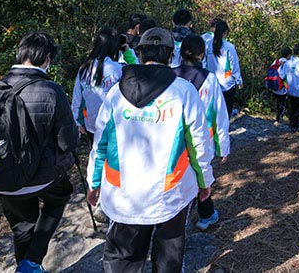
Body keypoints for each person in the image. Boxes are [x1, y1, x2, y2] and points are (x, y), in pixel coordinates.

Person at [87, 28, 214, 273]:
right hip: (171, 192)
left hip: (123, 192)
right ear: (170, 55)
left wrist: (94, 184)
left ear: (139, 52)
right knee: (168, 257)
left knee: (122, 259)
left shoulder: (116, 93)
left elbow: (100, 144)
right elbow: (198, 144)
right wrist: (204, 180)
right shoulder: (184, 92)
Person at [0, 32, 79, 273]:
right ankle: (31, 262)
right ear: (47, 58)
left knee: (22, 225)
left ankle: (27, 265)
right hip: (42, 177)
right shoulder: (52, 91)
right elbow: (67, 141)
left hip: (4, 178)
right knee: (59, 197)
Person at [173, 34, 230, 231]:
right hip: (202, 138)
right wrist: (223, 146)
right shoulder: (210, 79)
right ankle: (205, 216)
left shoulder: (170, 76)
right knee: (200, 173)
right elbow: (219, 114)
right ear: (202, 54)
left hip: (174, 139)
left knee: (179, 174)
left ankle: (177, 216)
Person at [70, 28, 123, 136]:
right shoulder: (119, 69)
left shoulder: (84, 69)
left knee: (95, 152)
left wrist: (78, 122)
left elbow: (77, 99)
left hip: (90, 124)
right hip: (113, 125)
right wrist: (126, 51)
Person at [203, 18, 243, 116]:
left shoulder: (207, 44)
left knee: (212, 110)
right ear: (225, 33)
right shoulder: (229, 46)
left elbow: (203, 62)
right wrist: (239, 81)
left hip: (210, 82)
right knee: (225, 111)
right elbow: (234, 65)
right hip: (227, 84)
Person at [279, 44, 299, 132]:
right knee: (298, 109)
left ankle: (291, 124)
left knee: (292, 107)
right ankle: (295, 126)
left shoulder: (287, 63)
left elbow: (282, 75)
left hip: (289, 90)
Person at [267, 47, 291, 124]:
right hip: (282, 88)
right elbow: (286, 76)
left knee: (278, 102)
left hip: (274, 86)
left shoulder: (276, 61)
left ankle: (278, 116)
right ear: (289, 55)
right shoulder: (287, 63)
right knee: (282, 103)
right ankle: (279, 118)